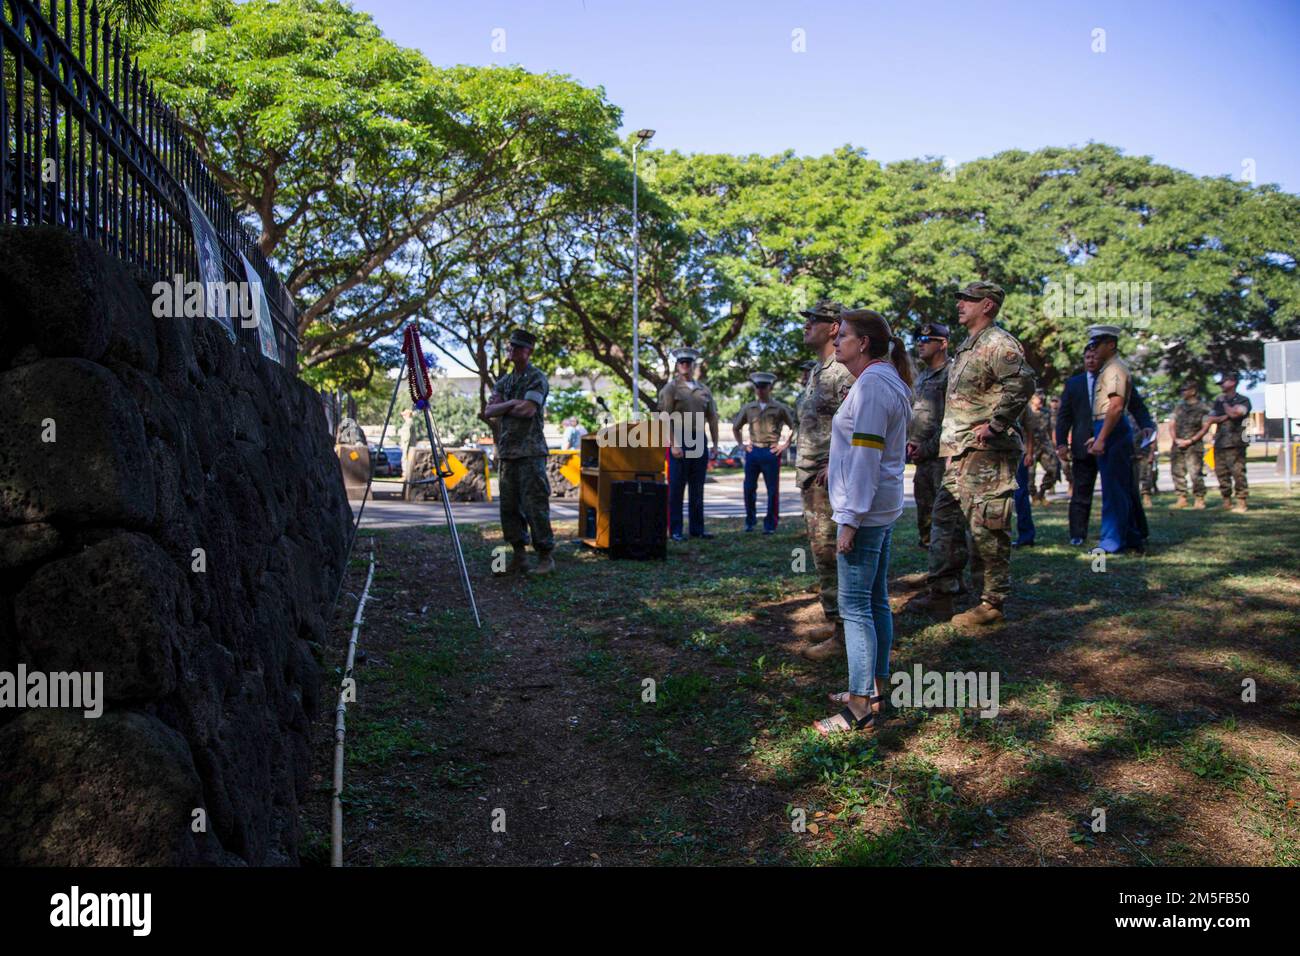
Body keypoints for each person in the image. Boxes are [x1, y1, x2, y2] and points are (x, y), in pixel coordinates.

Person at [813, 310, 913, 735]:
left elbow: (868, 455)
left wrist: (849, 520)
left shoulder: (872, 385)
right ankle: (873, 687)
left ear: (864, 343)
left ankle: (859, 708)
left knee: (855, 607)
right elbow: (861, 450)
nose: (837, 342)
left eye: (845, 335)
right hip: (880, 506)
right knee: (875, 601)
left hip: (865, 511)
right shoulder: (885, 379)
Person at [935, 281, 1035, 627]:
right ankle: (944, 589)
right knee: (946, 519)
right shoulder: (967, 346)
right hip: (962, 451)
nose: (960, 303)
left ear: (988, 305)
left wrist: (995, 426)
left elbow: (1023, 383)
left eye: (968, 299)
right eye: (960, 298)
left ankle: (992, 602)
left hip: (988, 453)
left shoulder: (998, 343)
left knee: (988, 526)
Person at [793, 301, 854, 661]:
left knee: (833, 552)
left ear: (833, 327)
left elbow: (855, 423)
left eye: (813, 321)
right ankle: (836, 621)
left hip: (829, 476)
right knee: (821, 551)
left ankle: (846, 633)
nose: (807, 326)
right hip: (812, 475)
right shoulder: (820, 371)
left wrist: (836, 461)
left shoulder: (842, 372)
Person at [1055, 344, 1155, 546]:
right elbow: (1064, 416)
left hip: (1111, 440)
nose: (1091, 360)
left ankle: (1136, 533)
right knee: (1081, 492)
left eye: (1094, 356)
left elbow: (1135, 403)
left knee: (1123, 489)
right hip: (1083, 445)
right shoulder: (1074, 384)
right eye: (1087, 357)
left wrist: (1146, 424)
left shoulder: (1113, 378)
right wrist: (1062, 443)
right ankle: (1077, 534)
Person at [480, 329, 555, 575]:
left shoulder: (536, 378)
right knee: (509, 507)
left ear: (528, 351)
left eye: (517, 347)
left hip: (531, 452)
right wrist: (512, 403)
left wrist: (506, 406)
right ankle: (519, 556)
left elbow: (528, 410)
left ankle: (545, 557)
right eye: (510, 346)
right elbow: (489, 411)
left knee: (535, 505)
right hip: (508, 452)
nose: (511, 350)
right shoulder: (505, 381)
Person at [1085, 325, 1147, 554]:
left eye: (1097, 344)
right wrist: (1098, 434)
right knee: (1118, 487)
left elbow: (1116, 407)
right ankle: (1131, 537)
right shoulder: (1109, 368)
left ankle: (1112, 541)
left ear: (1110, 344)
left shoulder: (1114, 369)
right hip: (1108, 426)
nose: (1094, 349)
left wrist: (1102, 438)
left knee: (1114, 490)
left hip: (1113, 428)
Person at [658, 347, 720, 541]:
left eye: (688, 363)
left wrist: (715, 445)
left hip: (699, 440)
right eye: (681, 363)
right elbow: (664, 417)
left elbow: (713, 418)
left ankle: (697, 529)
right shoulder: (671, 388)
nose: (685, 366)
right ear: (677, 366)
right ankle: (675, 530)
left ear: (693, 365)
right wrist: (673, 444)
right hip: (679, 439)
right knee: (676, 488)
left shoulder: (703, 390)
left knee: (697, 488)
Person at [906, 322, 952, 550]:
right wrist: (911, 443)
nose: (919, 345)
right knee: (924, 515)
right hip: (922, 458)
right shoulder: (922, 377)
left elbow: (951, 422)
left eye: (926, 340)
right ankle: (932, 566)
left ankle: (947, 572)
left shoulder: (951, 374)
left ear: (942, 344)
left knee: (945, 518)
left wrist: (927, 447)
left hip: (943, 458)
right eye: (918, 340)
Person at [732, 372, 795, 534]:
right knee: (749, 488)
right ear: (755, 389)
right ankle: (750, 521)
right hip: (753, 451)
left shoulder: (779, 408)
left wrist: (785, 445)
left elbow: (794, 426)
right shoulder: (749, 408)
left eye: (764, 387)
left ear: (770, 388)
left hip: (771, 452)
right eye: (758, 387)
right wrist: (741, 445)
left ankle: (770, 525)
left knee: (772, 490)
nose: (760, 390)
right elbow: (736, 427)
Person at [1206, 372, 1252, 512]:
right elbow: (1211, 419)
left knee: (1238, 472)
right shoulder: (1218, 401)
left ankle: (1241, 502)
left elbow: (1235, 413)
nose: (1221, 386)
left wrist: (1226, 408)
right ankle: (1226, 501)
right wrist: (1226, 416)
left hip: (1237, 442)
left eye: (1223, 382)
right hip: (1220, 442)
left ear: (1232, 382)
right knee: (1221, 472)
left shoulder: (1243, 400)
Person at [1169, 380, 1212, 509]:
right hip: (1178, 444)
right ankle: (1181, 498)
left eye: (1185, 390)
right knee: (1177, 472)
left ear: (1193, 391)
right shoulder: (1178, 407)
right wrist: (1176, 439)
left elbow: (1205, 427)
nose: (1183, 393)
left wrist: (1191, 440)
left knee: (1195, 473)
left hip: (1194, 445)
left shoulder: (1203, 408)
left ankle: (1199, 499)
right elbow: (1171, 424)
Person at [1026, 391, 1059, 504]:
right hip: (1030, 446)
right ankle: (1034, 495)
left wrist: (1054, 443)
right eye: (1038, 397)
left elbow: (1050, 429)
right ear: (1032, 399)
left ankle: (1042, 493)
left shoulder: (1046, 413)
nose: (1041, 399)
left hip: (1044, 445)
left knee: (1053, 468)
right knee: (1030, 475)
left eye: (1041, 397)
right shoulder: (1026, 412)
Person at [1012, 406, 1037, 548]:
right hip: (992, 455)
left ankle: (1026, 535)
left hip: (1017, 454)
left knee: (1020, 495)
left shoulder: (1019, 398)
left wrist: (1029, 452)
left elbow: (1029, 428)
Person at [1049, 396, 1072, 496]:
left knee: (1065, 466)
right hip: (1050, 445)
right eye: (1052, 401)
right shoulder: (1047, 414)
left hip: (1063, 444)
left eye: (1056, 401)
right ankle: (1051, 486)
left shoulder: (1065, 414)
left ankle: (1071, 483)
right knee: (1052, 467)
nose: (1054, 404)